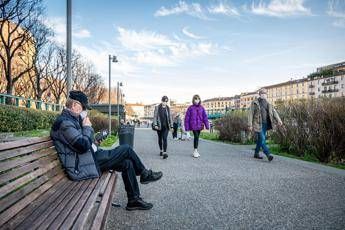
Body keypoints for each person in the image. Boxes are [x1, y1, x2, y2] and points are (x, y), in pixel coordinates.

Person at [51, 91, 163, 211]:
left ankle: (134, 200)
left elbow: (84, 142)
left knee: (127, 163)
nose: (85, 111)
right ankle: (144, 174)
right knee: (126, 149)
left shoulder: (72, 120)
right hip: (81, 166)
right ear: (74, 105)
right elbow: (82, 145)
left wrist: (94, 140)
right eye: (84, 108)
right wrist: (87, 127)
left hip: (88, 159)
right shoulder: (64, 123)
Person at [248, 88, 283, 162]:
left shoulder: (268, 103)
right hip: (257, 124)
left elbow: (274, 112)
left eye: (265, 93)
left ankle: (256, 153)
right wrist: (250, 125)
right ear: (260, 94)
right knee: (263, 139)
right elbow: (250, 113)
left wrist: (279, 120)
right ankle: (268, 154)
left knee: (260, 139)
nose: (264, 94)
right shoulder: (255, 102)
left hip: (265, 124)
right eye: (262, 93)